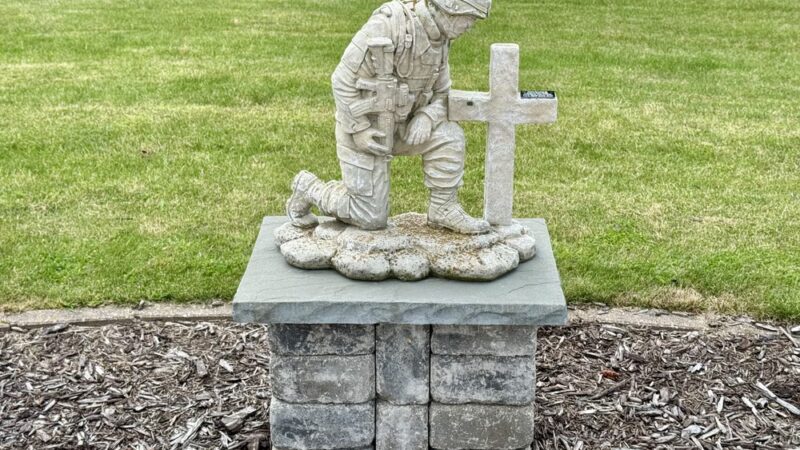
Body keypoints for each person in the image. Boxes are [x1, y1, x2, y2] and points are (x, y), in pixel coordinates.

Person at [286, 0, 492, 234]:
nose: (470, 26)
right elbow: (342, 79)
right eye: (469, 18)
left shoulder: (441, 39)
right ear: (450, 10)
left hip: (406, 125)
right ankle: (309, 187)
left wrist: (426, 116)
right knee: (370, 217)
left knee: (449, 136)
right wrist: (360, 130)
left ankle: (443, 207)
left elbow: (443, 94)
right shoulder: (388, 25)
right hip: (368, 132)